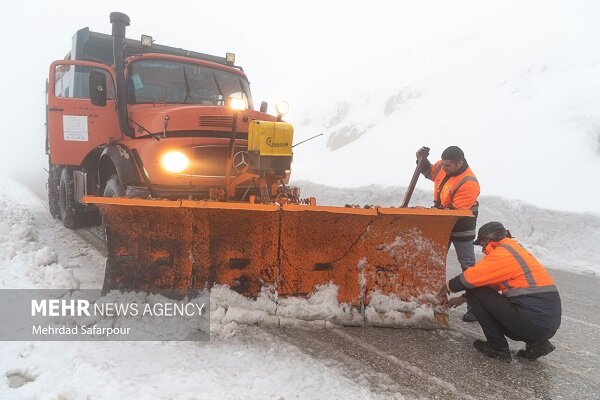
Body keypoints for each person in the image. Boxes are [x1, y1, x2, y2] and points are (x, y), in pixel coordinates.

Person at [440, 222, 562, 362]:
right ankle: (538, 345)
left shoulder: (503, 253)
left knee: (475, 289)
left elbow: (473, 277)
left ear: (487, 240)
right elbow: (490, 286)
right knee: (477, 291)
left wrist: (447, 287)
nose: (483, 249)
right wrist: (463, 298)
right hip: (546, 325)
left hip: (532, 322)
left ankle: (497, 348)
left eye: (482, 245)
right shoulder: (514, 249)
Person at [417, 145, 480, 322]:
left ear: (459, 163)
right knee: (434, 259)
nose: (443, 168)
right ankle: (428, 298)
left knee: (467, 263)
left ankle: (475, 305)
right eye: (443, 164)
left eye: (448, 166)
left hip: (461, 223)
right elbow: (430, 172)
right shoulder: (442, 166)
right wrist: (422, 162)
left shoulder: (469, 183)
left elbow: (455, 212)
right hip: (441, 219)